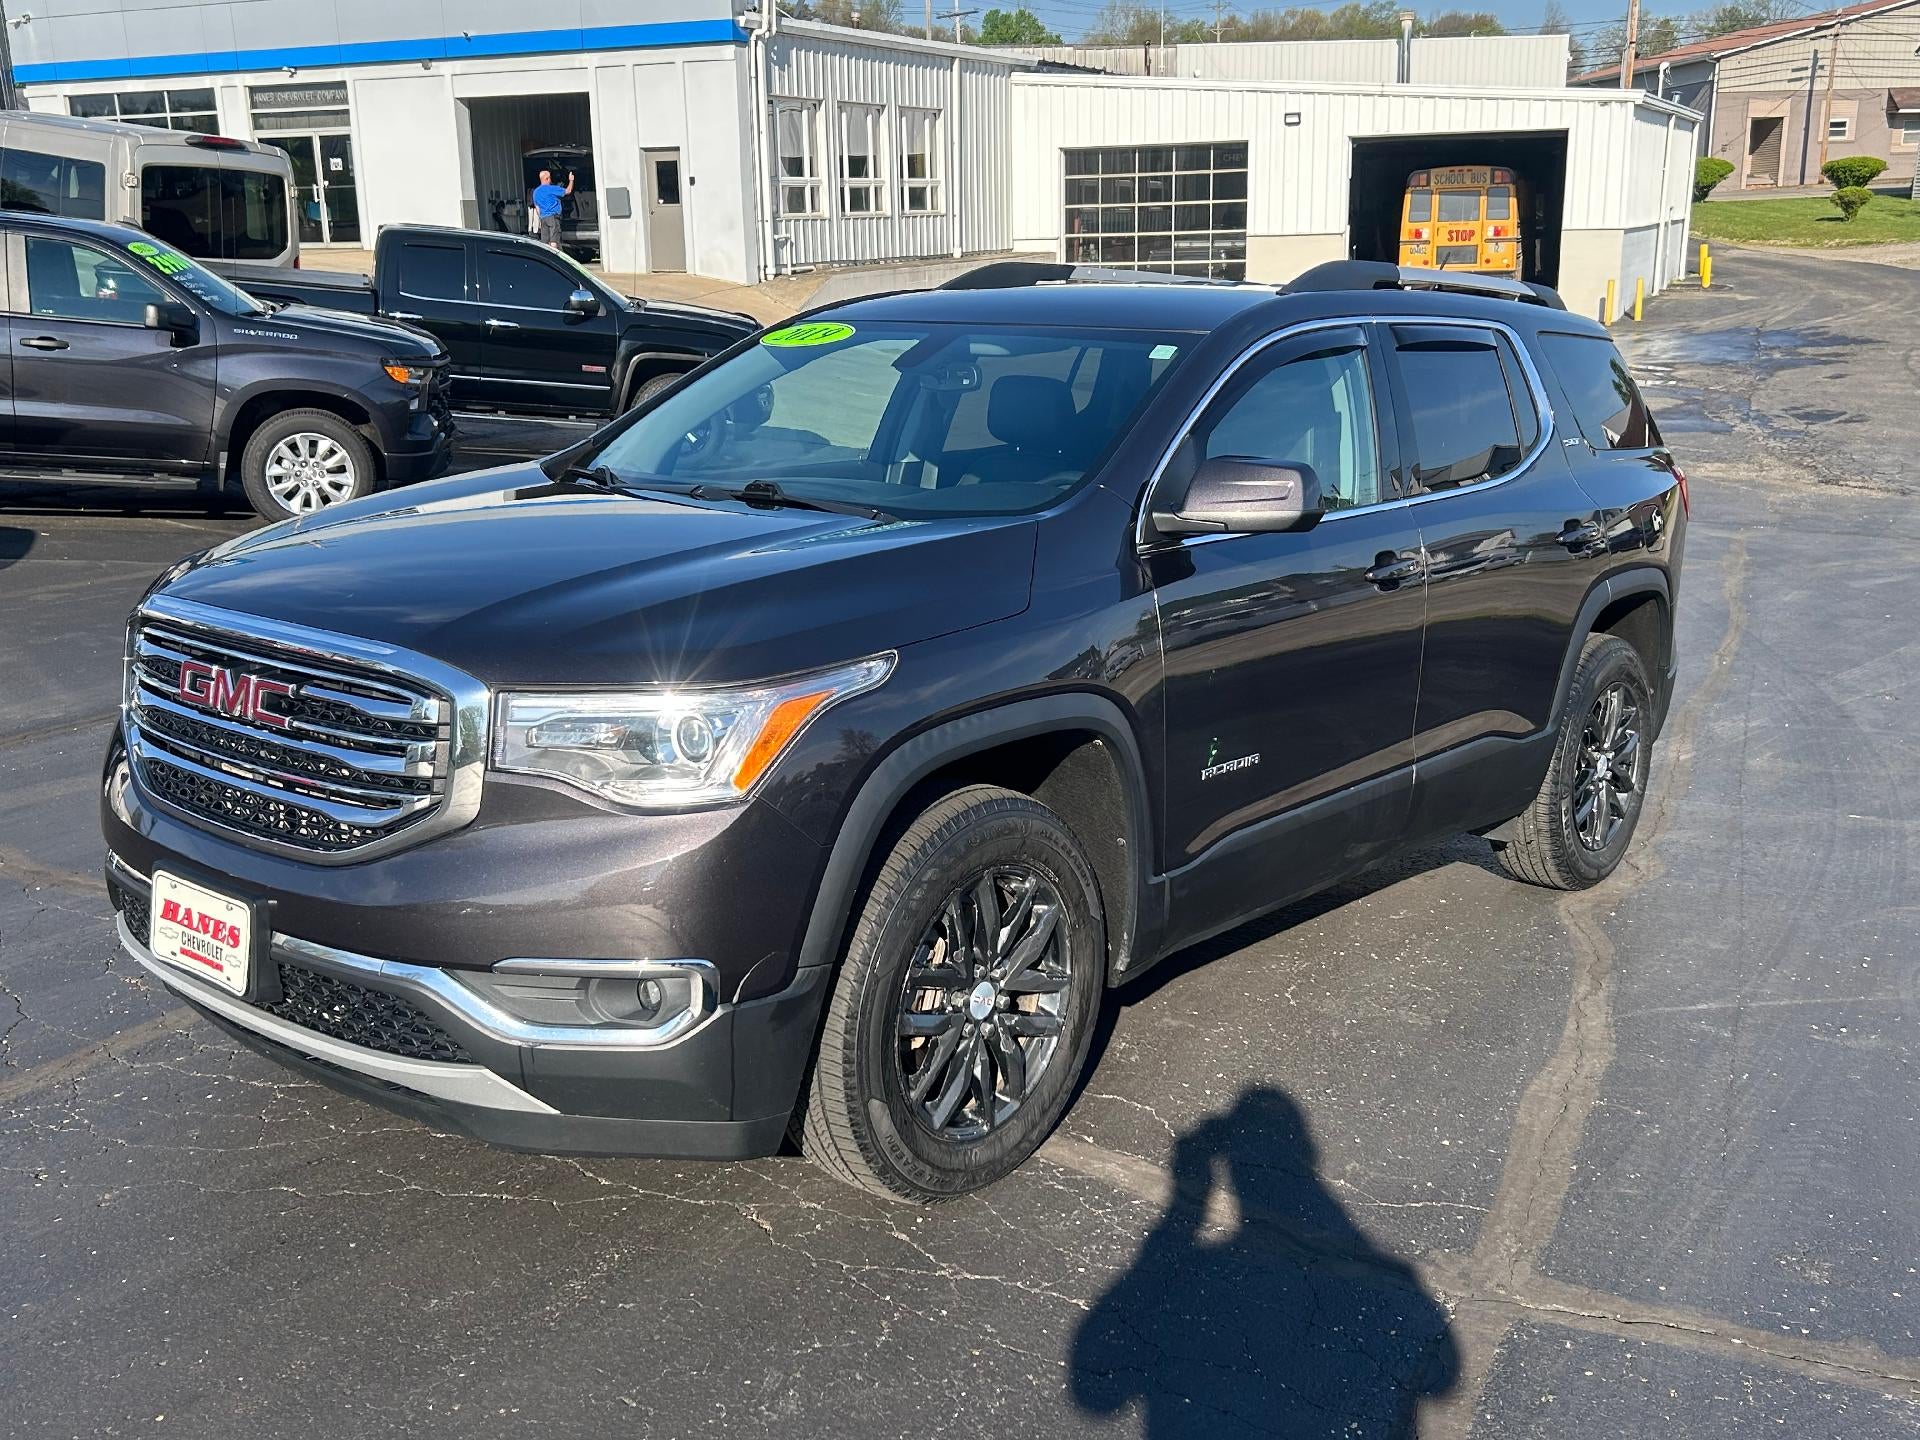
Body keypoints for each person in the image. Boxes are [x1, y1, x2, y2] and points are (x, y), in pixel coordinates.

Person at [530, 168, 574, 249]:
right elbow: (568, 191)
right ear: (547, 179)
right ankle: (555, 258)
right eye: (550, 178)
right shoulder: (552, 188)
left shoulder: (536, 192)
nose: (551, 179)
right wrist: (571, 180)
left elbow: (537, 207)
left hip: (543, 218)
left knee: (545, 242)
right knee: (554, 240)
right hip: (553, 217)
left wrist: (541, 217)